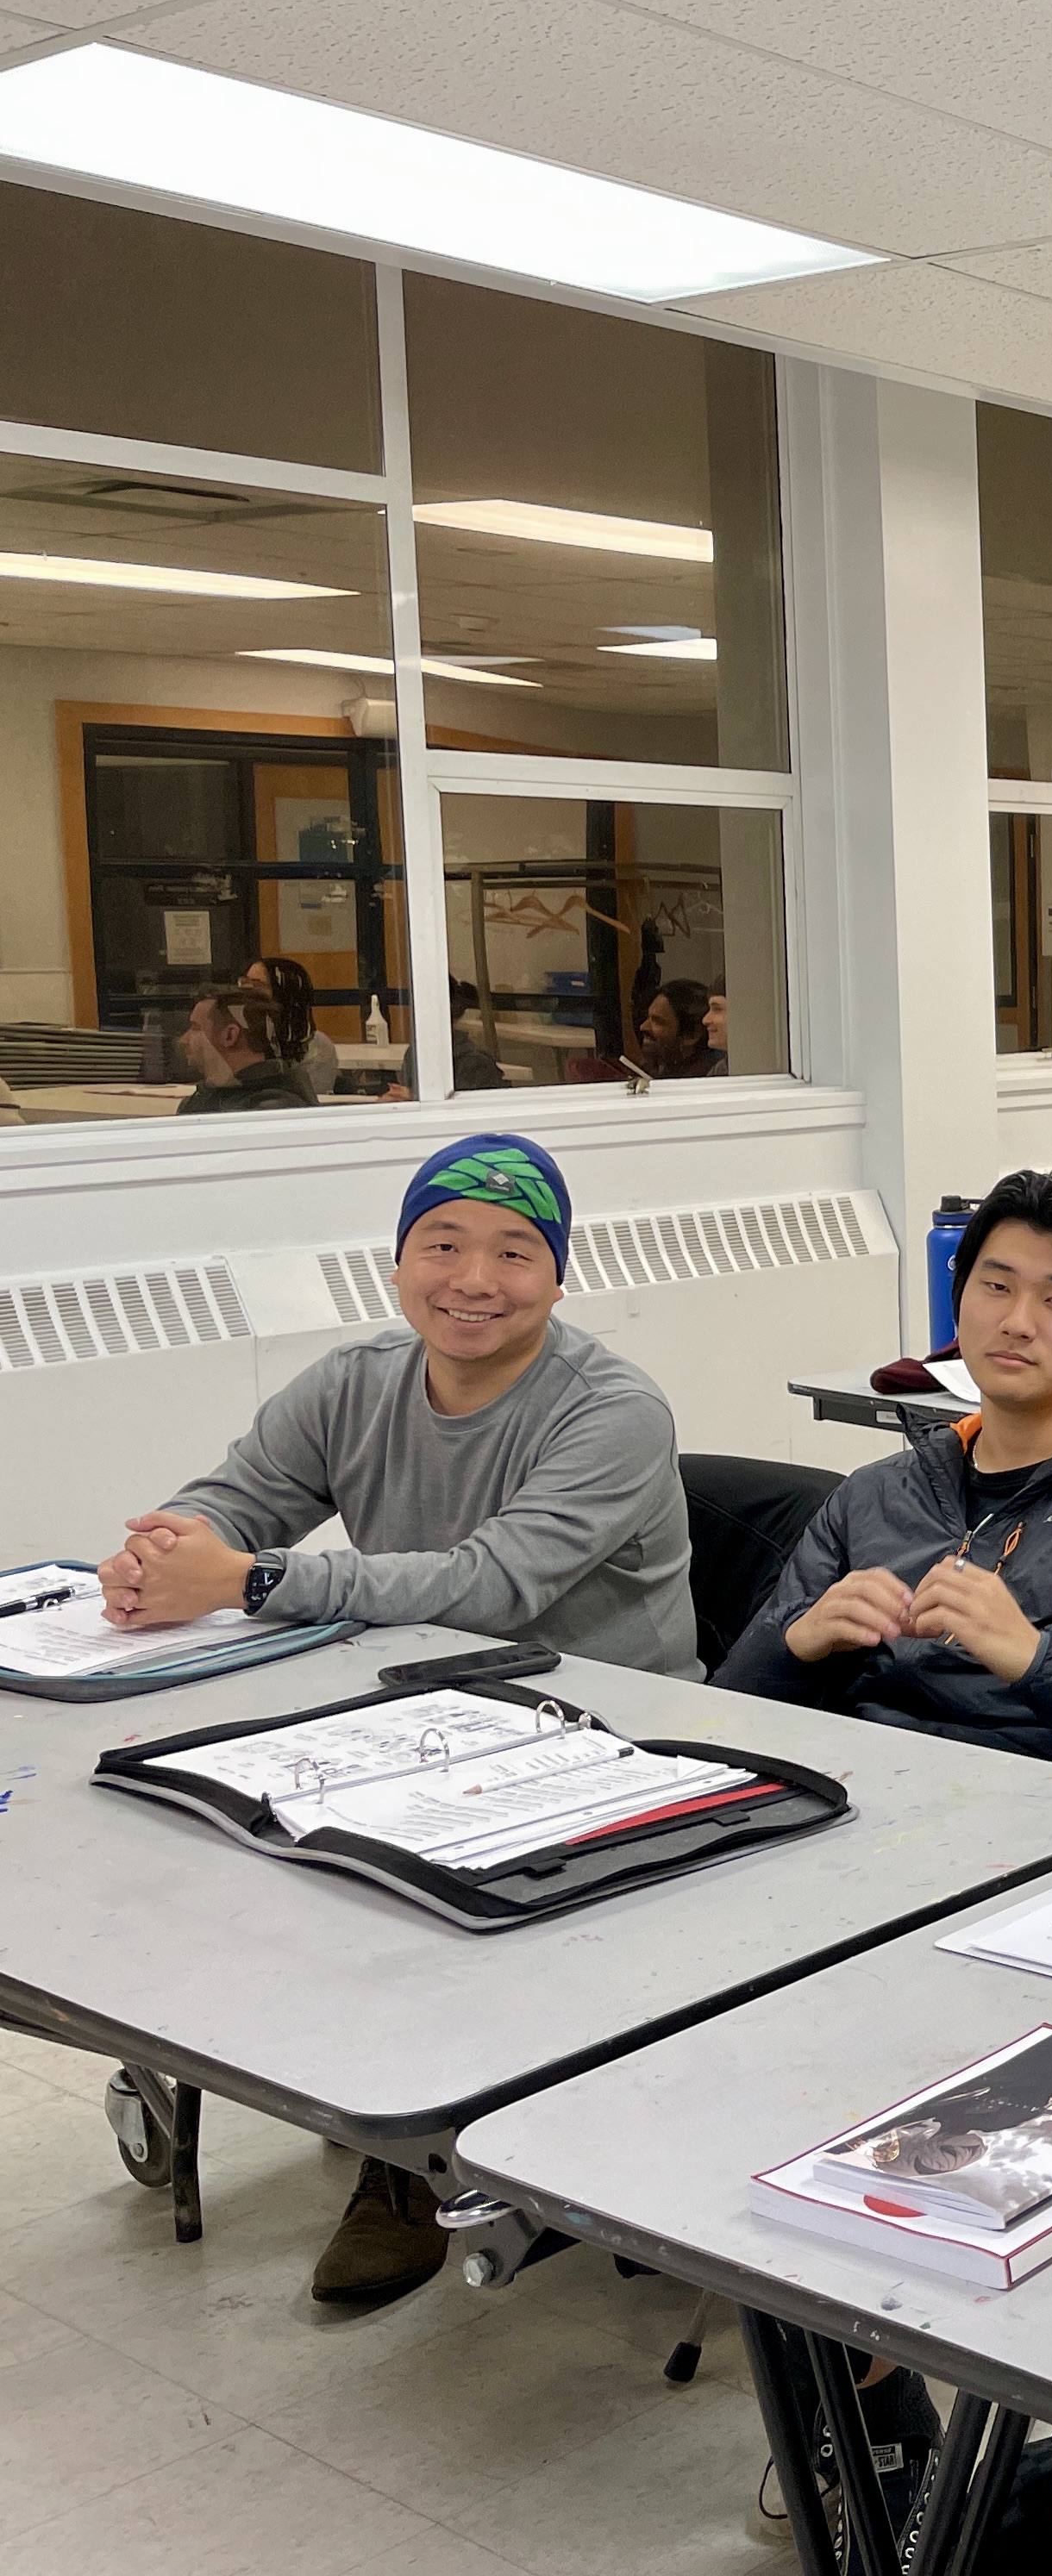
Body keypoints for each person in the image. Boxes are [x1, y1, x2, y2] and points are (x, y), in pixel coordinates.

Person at [97, 1131, 695, 2306]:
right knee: (233, 1836)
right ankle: (396, 2114)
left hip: (597, 1738)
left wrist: (252, 1580)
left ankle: (425, 2146)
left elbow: (489, 1587)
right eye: (444, 1245)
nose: (475, 1279)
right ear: (398, 1262)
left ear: (560, 1275)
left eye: (515, 1252)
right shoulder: (355, 1382)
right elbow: (238, 1493)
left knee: (388, 1881)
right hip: (419, 1714)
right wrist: (159, 1548)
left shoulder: (614, 1409)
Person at [720, 1168, 1052, 1810]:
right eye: (996, 1286)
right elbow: (726, 1723)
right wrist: (798, 1642)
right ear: (960, 1299)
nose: (1016, 1321)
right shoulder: (876, 1495)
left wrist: (1039, 1661)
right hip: (859, 1821)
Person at [174, 984, 314, 1113]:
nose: (184, 1040)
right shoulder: (218, 1095)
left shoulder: (270, 1110)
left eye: (196, 1028)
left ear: (229, 1036)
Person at [243, 953, 340, 1098]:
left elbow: (307, 1100)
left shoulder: (316, 1046)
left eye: (257, 985)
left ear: (283, 993)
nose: (246, 991)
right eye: (245, 983)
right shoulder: (237, 1034)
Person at [637, 977, 726, 1079]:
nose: (643, 1027)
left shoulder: (714, 1079)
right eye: (648, 1018)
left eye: (657, 1021)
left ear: (691, 1035)